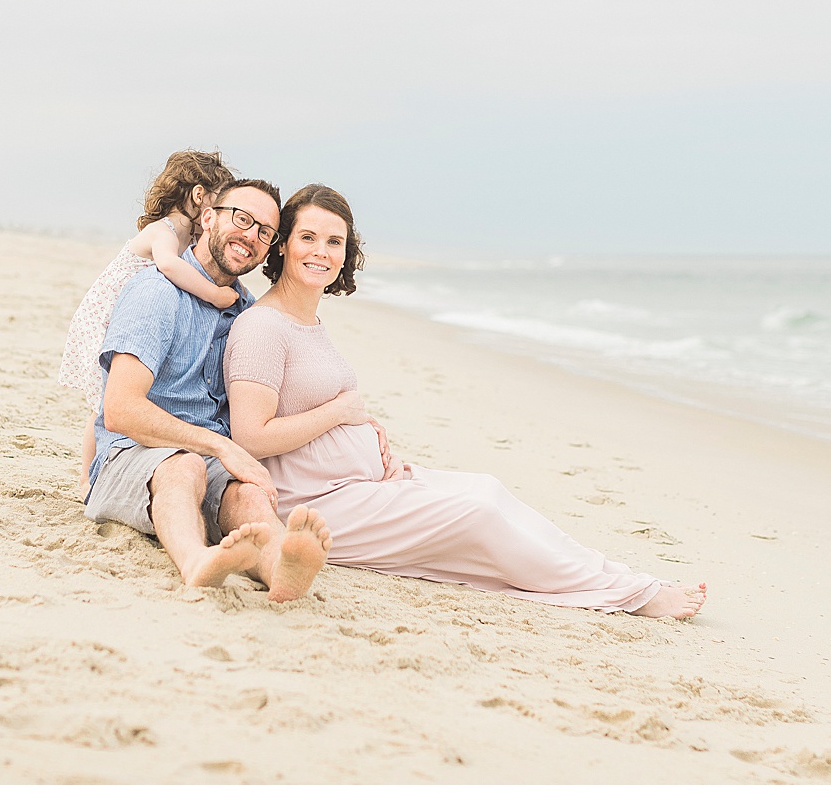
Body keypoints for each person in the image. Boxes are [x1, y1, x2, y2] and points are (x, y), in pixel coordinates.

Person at [223, 184, 707, 619]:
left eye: (335, 242)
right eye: (308, 237)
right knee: (478, 517)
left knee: (487, 490)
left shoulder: (308, 320)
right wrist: (344, 413)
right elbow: (251, 436)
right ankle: (632, 597)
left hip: (359, 485)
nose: (321, 252)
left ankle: (616, 576)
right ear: (282, 244)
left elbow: (318, 401)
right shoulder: (262, 327)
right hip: (313, 507)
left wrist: (365, 428)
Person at [84, 178, 333, 601]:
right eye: (242, 218)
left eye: (265, 231)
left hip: (207, 462)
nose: (250, 236)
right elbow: (121, 409)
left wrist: (355, 417)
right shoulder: (156, 293)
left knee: (251, 494)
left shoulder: (247, 314)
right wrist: (220, 447)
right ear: (208, 217)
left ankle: (281, 566)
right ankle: (196, 560)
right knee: (186, 467)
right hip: (129, 458)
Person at [59, 149, 239, 494]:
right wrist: (214, 296)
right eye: (220, 202)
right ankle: (86, 477)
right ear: (200, 196)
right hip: (108, 314)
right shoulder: (165, 230)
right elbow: (170, 267)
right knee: (106, 399)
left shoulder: (187, 235)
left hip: (125, 314)